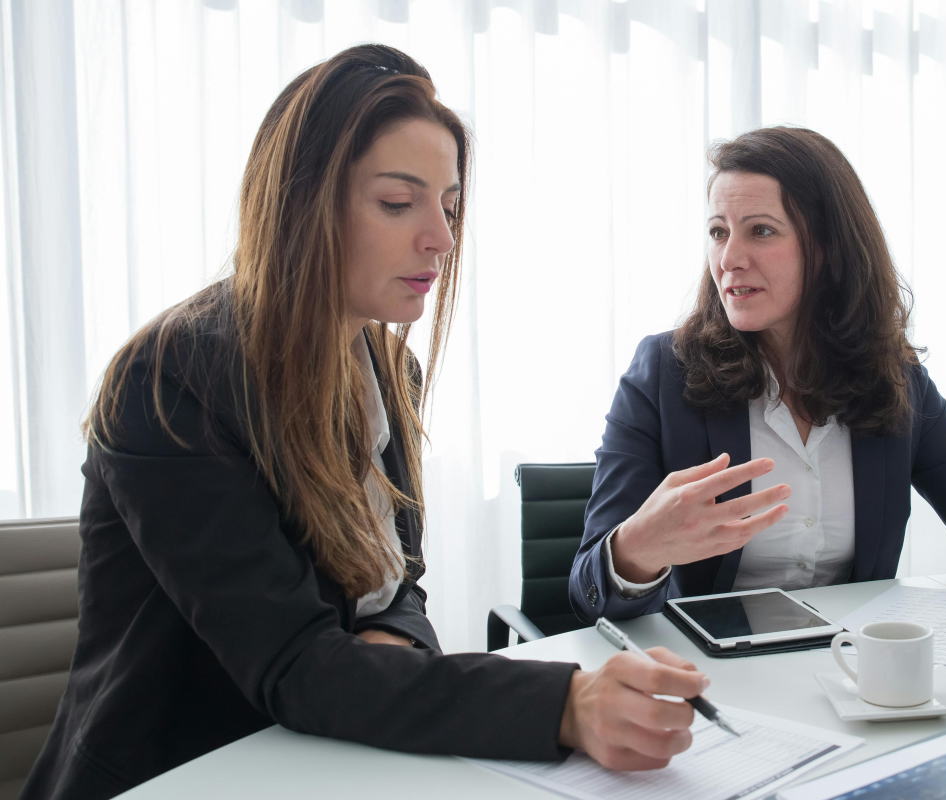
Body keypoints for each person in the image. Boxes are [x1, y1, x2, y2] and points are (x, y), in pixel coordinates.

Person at [23, 44, 704, 800]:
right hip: (182, 773)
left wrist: (387, 643)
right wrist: (566, 704)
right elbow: (294, 663)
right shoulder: (171, 381)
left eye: (449, 207)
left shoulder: (385, 367)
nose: (442, 238)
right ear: (301, 203)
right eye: (397, 203)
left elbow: (395, 584)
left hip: (329, 756)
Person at [569, 127, 946, 634]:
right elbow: (588, 590)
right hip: (709, 666)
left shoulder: (896, 377)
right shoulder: (662, 371)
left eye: (761, 231)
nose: (729, 258)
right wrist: (637, 550)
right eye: (719, 232)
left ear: (828, 246)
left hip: (852, 663)